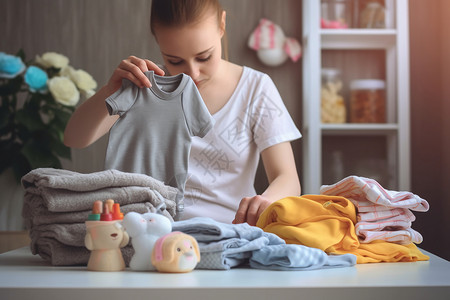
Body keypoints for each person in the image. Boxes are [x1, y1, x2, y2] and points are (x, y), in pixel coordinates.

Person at [64, 0, 301, 226]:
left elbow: (287, 178)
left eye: (204, 57)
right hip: (151, 233)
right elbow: (74, 139)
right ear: (157, 41)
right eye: (174, 61)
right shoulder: (144, 88)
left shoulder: (255, 88)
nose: (193, 73)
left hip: (228, 236)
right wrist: (109, 90)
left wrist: (265, 201)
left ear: (222, 24)